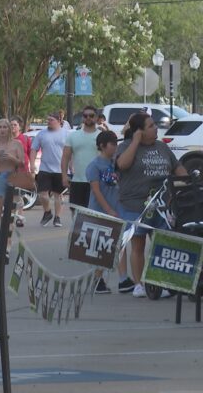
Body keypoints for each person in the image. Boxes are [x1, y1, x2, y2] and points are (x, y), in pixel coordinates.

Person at [115, 112, 187, 298]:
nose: (156, 128)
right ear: (139, 131)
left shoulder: (162, 147)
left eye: (155, 124)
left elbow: (178, 168)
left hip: (162, 205)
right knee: (138, 245)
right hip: (135, 205)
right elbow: (122, 165)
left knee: (162, 243)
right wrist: (135, 141)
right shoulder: (125, 146)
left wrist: (186, 181)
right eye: (151, 126)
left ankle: (159, 282)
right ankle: (139, 284)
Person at [85, 130, 121, 294]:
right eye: (112, 144)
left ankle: (104, 280)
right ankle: (97, 280)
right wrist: (108, 210)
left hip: (116, 210)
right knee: (101, 248)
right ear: (102, 146)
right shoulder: (94, 165)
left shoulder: (115, 164)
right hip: (100, 212)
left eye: (116, 143)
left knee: (113, 247)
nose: (115, 146)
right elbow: (96, 190)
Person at [30, 113, 68, 227]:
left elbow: (70, 152)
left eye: (51, 120)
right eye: (48, 119)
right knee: (43, 194)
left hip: (61, 169)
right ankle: (47, 212)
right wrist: (32, 164)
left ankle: (57, 217)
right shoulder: (41, 134)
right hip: (45, 168)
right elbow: (33, 149)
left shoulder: (66, 134)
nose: (48, 122)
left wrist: (71, 167)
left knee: (58, 195)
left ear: (58, 120)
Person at [61, 106, 100, 214]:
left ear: (96, 118)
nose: (88, 118)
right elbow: (65, 157)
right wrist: (64, 175)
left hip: (96, 182)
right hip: (77, 181)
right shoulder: (73, 136)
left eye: (91, 115)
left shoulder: (101, 136)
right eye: (85, 115)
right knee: (76, 213)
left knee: (93, 213)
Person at [0, 119, 24, 215]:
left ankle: (11, 225)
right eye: (0, 127)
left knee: (11, 207)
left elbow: (22, 164)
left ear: (9, 129)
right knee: (0, 208)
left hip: (13, 176)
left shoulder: (17, 143)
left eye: (5, 127)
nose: (2, 130)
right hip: (0, 176)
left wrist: (12, 158)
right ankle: (3, 225)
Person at [10, 116, 32, 227]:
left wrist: (31, 167)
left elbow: (29, 153)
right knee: (12, 195)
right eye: (11, 125)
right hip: (10, 171)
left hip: (22, 171)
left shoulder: (25, 139)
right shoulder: (7, 140)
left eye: (15, 125)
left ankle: (19, 217)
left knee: (18, 194)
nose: (13, 127)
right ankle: (13, 216)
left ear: (19, 127)